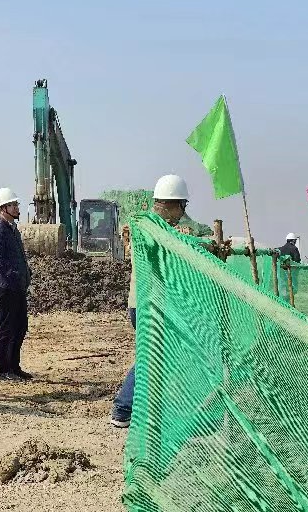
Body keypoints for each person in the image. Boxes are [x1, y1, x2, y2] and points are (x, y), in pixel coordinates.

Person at [111, 174, 189, 428]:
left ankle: (148, 408)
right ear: (171, 204)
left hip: (146, 302)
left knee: (158, 357)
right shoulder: (153, 229)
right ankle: (123, 408)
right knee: (149, 357)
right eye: (182, 206)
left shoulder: (148, 225)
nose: (182, 213)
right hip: (149, 305)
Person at [0, 188, 32, 381]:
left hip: (16, 287)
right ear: (2, 208)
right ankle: (4, 369)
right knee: (5, 329)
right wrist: (14, 276)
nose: (16, 207)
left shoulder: (12, 229)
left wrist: (25, 274)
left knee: (19, 327)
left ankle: (14, 367)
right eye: (12, 205)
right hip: (4, 288)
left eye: (16, 204)